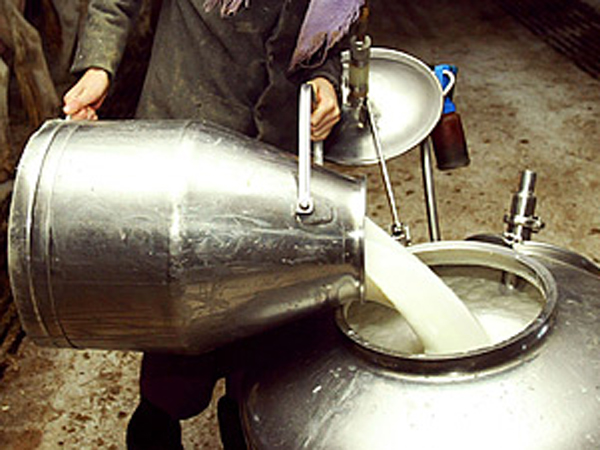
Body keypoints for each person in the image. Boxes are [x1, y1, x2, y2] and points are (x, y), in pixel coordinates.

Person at [62, 0, 364, 448]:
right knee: (180, 337)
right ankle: (157, 425)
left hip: (272, 156)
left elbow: (327, 34)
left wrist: (324, 81)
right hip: (188, 149)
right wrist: (98, 66)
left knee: (263, 319)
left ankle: (244, 416)